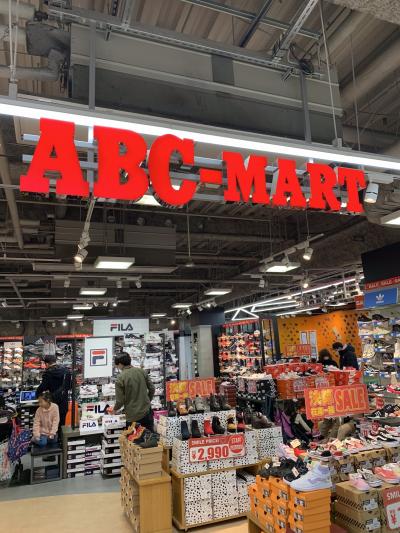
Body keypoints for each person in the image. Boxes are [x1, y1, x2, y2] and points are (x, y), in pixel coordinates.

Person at [109, 353, 155, 430]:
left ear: (120, 364)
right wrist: (147, 401)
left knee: (134, 437)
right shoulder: (142, 371)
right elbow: (152, 388)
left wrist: (115, 409)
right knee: (150, 436)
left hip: (132, 415)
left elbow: (120, 401)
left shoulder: (120, 378)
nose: (117, 367)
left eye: (117, 365)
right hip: (147, 412)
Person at [36, 354, 71, 429]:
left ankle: (54, 436)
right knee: (61, 425)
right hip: (64, 403)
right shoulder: (66, 371)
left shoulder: (48, 374)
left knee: (52, 425)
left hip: (53, 403)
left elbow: (42, 387)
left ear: (47, 364)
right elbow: (70, 386)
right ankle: (61, 436)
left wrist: (37, 395)